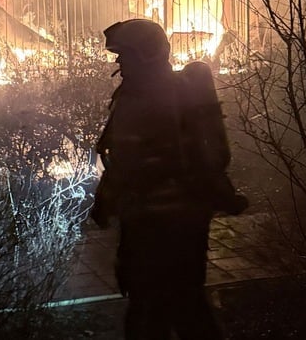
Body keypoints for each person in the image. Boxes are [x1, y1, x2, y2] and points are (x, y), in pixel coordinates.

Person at [91, 18, 246, 340]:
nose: (118, 61)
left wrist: (105, 203)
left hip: (158, 222)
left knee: (161, 308)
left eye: (124, 54)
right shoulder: (152, 92)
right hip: (177, 218)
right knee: (178, 303)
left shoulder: (147, 98)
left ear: (145, 54)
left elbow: (127, 163)